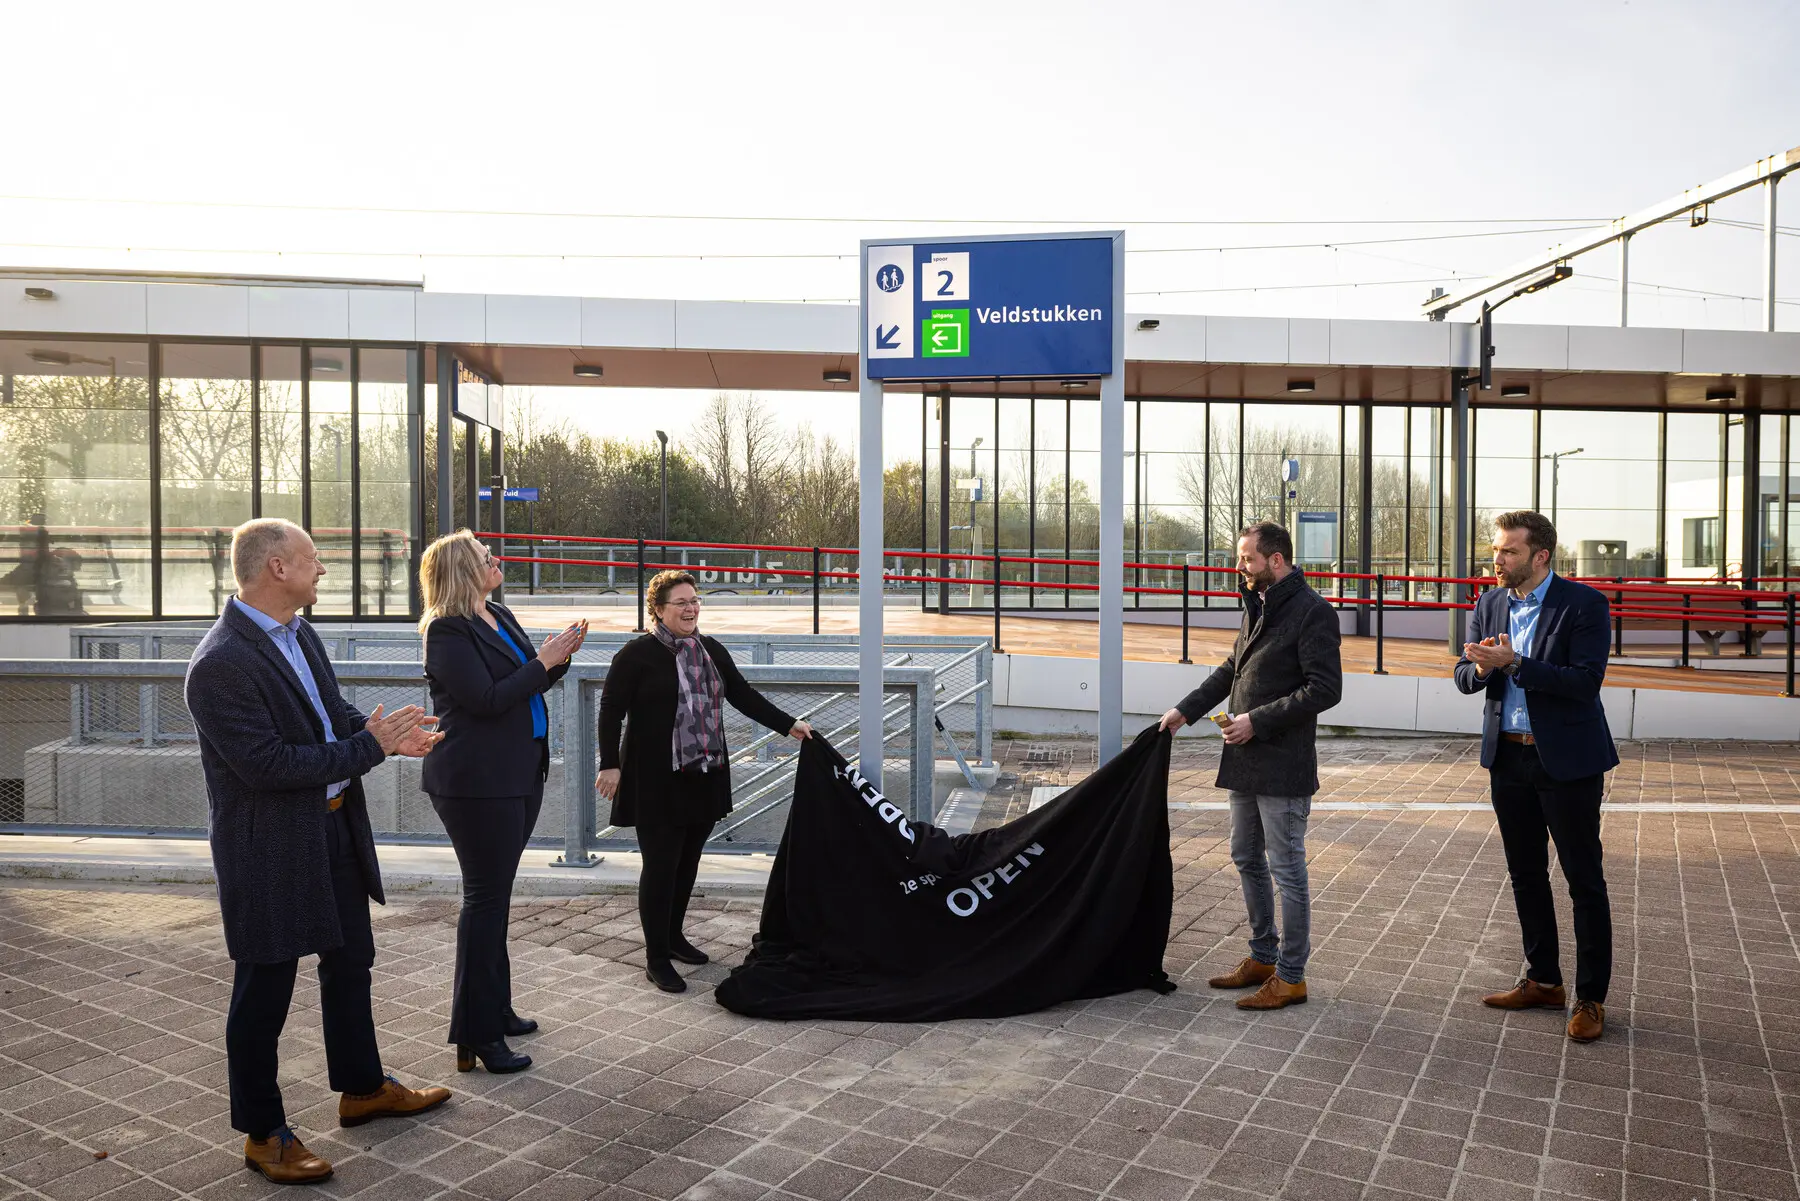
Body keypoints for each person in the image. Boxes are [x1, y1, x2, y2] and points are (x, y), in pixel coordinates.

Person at [184, 518, 451, 1186]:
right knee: (265, 988)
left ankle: (362, 1088)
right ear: (277, 568)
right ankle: (263, 1131)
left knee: (350, 960)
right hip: (269, 849)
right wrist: (375, 746)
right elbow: (269, 764)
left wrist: (382, 729)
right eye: (312, 559)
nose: (322, 569)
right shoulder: (219, 663)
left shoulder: (300, 632)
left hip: (330, 826)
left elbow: (328, 710)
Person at [596, 570, 812, 993]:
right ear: (658, 610)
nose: (691, 608)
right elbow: (610, 710)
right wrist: (609, 764)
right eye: (681, 602)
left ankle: (674, 937)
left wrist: (789, 725)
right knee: (660, 866)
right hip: (654, 777)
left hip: (704, 773)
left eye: (695, 600)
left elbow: (743, 695)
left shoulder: (710, 650)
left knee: (687, 862)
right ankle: (656, 957)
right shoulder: (637, 655)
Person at [419, 530, 587, 1074]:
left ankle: (498, 1008)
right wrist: (543, 663)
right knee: (485, 903)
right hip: (476, 782)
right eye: (487, 557)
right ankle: (478, 1033)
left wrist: (558, 658)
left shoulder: (499, 613)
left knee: (496, 901)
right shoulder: (446, 631)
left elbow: (526, 680)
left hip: (517, 773)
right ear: (464, 570)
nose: (497, 561)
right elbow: (486, 699)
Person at [1159, 521, 1342, 1012]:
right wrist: (1184, 711)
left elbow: (1325, 690)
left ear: (1275, 561)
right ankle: (1263, 956)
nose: (1239, 566)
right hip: (1244, 760)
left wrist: (1256, 722)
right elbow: (1230, 669)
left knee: (1288, 870)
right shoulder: (1258, 605)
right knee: (1244, 856)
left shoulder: (1312, 613)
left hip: (1281, 764)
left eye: (1247, 559)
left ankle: (1292, 976)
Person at [1455, 510, 1618, 1043]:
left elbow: (1584, 682)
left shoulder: (1584, 604)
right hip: (1508, 758)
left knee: (1583, 881)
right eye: (1496, 550)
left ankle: (1590, 999)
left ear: (1540, 555)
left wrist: (1516, 663)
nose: (1496, 560)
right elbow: (1463, 676)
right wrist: (1481, 668)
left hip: (1567, 762)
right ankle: (1544, 979)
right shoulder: (1490, 601)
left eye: (1507, 552)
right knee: (1525, 874)